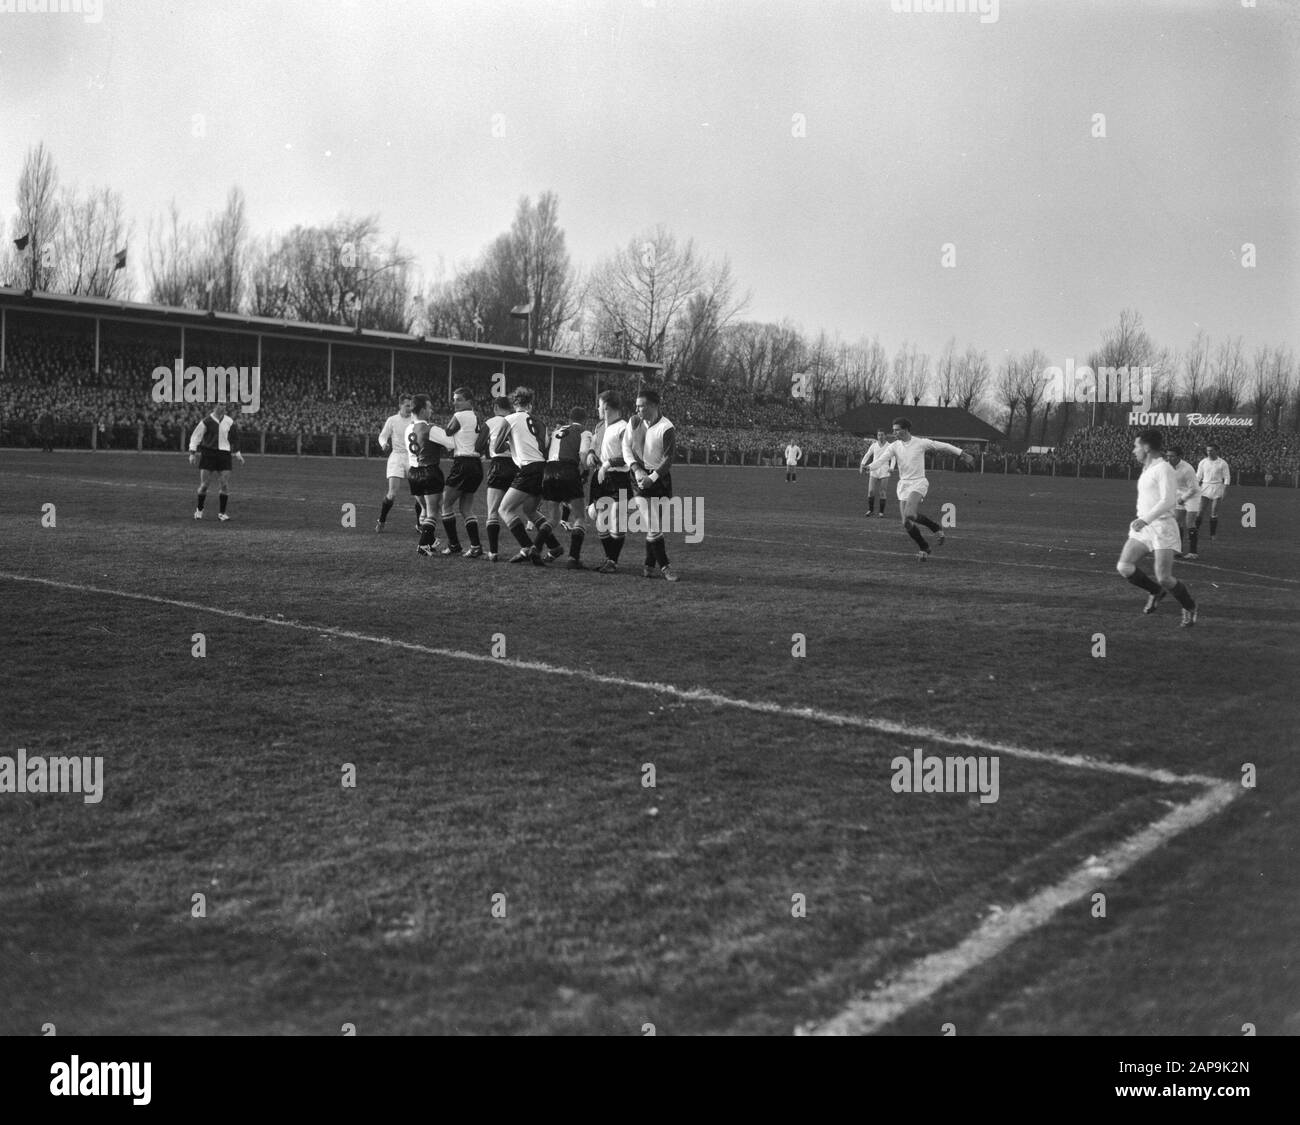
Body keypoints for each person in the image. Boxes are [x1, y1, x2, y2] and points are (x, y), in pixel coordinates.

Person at [1116, 429, 1198, 626]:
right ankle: (1155, 592)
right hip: (1144, 528)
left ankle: (1189, 607)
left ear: (1146, 447)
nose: (1133, 450)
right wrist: (1143, 520)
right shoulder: (1147, 468)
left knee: (1164, 577)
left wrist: (1146, 519)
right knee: (1124, 567)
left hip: (1162, 527)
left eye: (1136, 446)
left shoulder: (1164, 469)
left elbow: (1169, 500)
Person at [875, 418, 973, 560]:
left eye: (897, 429)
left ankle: (935, 527)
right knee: (906, 523)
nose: (894, 432)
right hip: (903, 485)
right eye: (893, 429)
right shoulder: (894, 446)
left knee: (909, 513)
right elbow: (881, 460)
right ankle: (924, 547)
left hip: (918, 483)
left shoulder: (920, 443)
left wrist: (962, 454)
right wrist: (869, 467)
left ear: (906, 429)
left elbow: (943, 446)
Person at [494, 386, 553, 566]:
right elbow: (545, 446)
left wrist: (509, 443)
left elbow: (496, 448)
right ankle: (555, 547)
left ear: (514, 403)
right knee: (530, 511)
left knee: (504, 509)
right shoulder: (541, 422)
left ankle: (528, 547)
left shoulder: (509, 419)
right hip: (543, 468)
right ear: (531, 405)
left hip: (528, 468)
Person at [625, 388, 679, 581]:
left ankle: (649, 565)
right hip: (638, 477)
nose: (637, 409)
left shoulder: (667, 428)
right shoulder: (634, 422)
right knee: (652, 522)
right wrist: (637, 470)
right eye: (637, 405)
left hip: (659, 479)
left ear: (654, 405)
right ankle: (666, 567)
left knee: (653, 525)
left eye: (641, 405)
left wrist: (653, 478)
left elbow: (668, 459)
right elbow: (626, 448)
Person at [587, 390, 636, 574]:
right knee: (600, 519)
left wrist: (607, 463)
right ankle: (611, 560)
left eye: (599, 405)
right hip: (602, 477)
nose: (597, 408)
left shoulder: (624, 427)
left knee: (616, 517)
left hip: (620, 478)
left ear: (606, 406)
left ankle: (612, 561)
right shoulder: (600, 426)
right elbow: (594, 445)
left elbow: (628, 455)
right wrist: (592, 454)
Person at [542, 406, 591, 569]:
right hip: (568, 470)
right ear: (584, 420)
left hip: (549, 471)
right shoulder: (584, 432)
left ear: (569, 419)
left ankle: (535, 548)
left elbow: (546, 448)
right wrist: (586, 470)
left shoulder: (557, 431)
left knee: (552, 518)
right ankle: (573, 558)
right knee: (580, 517)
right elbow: (583, 455)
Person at [439, 387, 486, 556]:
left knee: (445, 504)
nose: (455, 402)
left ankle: (454, 545)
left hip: (463, 464)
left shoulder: (459, 416)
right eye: (454, 399)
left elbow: (447, 432)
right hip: (476, 465)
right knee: (466, 508)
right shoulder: (476, 416)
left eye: (459, 399)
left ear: (469, 402)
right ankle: (475, 546)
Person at [405, 394, 451, 556]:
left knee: (424, 509)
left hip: (412, 473)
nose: (431, 410)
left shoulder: (408, 429)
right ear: (423, 410)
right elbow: (451, 444)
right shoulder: (431, 428)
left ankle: (430, 542)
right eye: (430, 408)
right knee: (433, 510)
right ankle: (423, 545)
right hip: (429, 471)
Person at [188, 402, 245, 521]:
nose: (223, 407)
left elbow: (235, 438)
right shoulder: (206, 421)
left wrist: (238, 453)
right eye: (220, 404)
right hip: (208, 454)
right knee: (204, 485)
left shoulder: (229, 421)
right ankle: (199, 510)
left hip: (224, 454)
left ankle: (222, 514)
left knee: (224, 484)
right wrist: (192, 453)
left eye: (224, 405)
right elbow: (195, 437)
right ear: (214, 406)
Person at [375, 394, 416, 532]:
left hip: (412, 457)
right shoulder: (392, 420)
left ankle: (420, 524)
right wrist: (384, 444)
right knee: (392, 493)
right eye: (407, 405)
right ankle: (381, 520)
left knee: (419, 493)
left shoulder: (415, 420)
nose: (410, 408)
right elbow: (383, 435)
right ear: (400, 405)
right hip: (396, 456)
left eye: (411, 405)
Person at [481, 395, 515, 561]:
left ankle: (493, 552)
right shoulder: (516, 419)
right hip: (517, 466)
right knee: (523, 512)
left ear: (495, 407)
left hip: (499, 465)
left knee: (493, 511)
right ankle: (532, 546)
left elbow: (478, 446)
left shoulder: (491, 421)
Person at [1166, 446, 1202, 560]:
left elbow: (1194, 488)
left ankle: (1193, 552)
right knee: (1176, 522)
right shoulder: (1167, 467)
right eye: (1167, 456)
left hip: (1192, 496)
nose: (1169, 458)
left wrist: (1183, 498)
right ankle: (1177, 550)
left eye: (1172, 456)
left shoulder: (1187, 469)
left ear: (1179, 457)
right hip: (1179, 495)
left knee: (1189, 523)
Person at [1195, 444, 1231, 543]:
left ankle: (1213, 534)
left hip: (1217, 487)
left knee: (1214, 511)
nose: (1209, 452)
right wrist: (1195, 487)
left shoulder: (1222, 463)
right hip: (1205, 487)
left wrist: (1225, 490)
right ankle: (1195, 531)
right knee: (1200, 511)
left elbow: (1227, 477)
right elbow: (1198, 476)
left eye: (1211, 450)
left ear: (1217, 451)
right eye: (1208, 450)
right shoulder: (1203, 462)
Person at [858, 429, 895, 518]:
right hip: (874, 469)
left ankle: (881, 512)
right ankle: (870, 510)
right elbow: (867, 455)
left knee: (882, 492)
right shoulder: (874, 445)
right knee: (870, 491)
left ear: (885, 436)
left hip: (884, 470)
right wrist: (862, 464)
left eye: (882, 435)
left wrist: (892, 467)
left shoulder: (890, 446)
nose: (880, 437)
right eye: (879, 435)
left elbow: (893, 458)